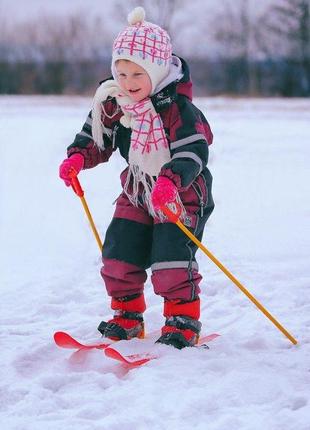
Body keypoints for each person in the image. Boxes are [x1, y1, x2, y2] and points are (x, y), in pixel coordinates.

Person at [59, 6, 214, 349]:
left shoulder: (178, 108)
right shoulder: (116, 102)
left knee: (170, 258)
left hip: (180, 190)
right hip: (138, 188)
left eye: (137, 75)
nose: (128, 84)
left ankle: (182, 320)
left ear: (157, 71)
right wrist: (77, 158)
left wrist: (171, 180)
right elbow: (96, 139)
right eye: (122, 73)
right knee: (119, 252)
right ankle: (127, 317)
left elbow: (194, 151)